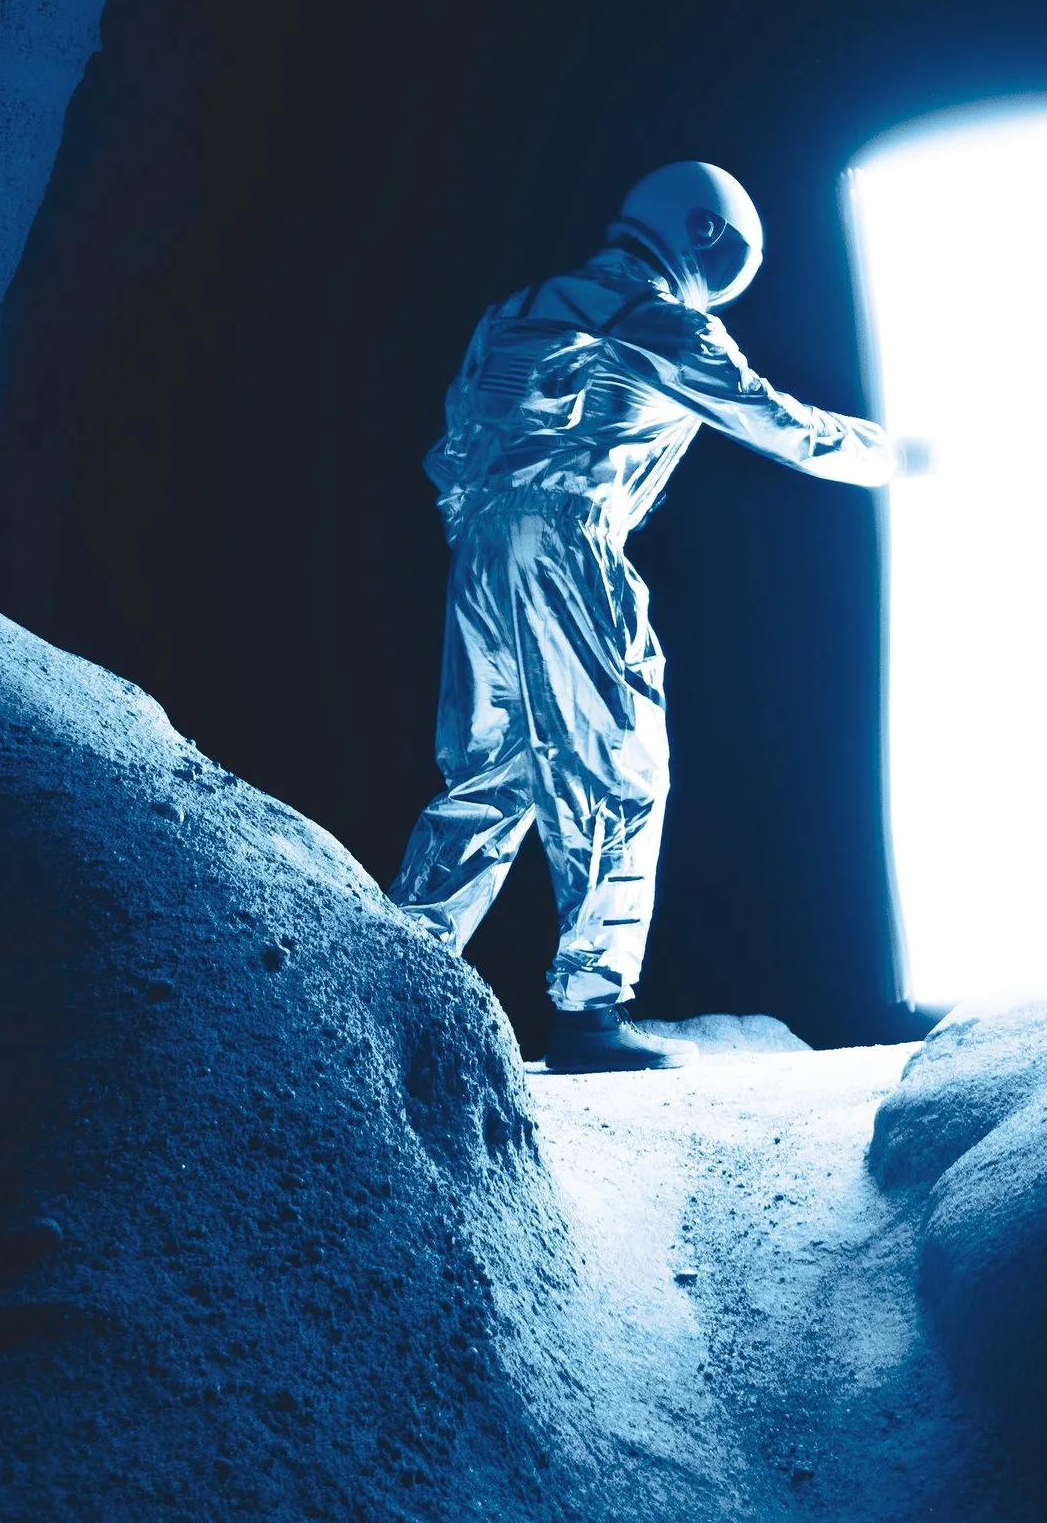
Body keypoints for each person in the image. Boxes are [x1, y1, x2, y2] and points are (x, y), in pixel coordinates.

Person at [388, 161, 917, 1073]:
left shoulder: (512, 311)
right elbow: (780, 425)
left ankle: (389, 964)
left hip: (479, 543)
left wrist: (492, 534)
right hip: (570, 534)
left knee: (490, 775)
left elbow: (454, 448)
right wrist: (900, 456)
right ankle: (590, 1014)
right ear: (704, 235)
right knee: (617, 764)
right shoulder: (662, 321)